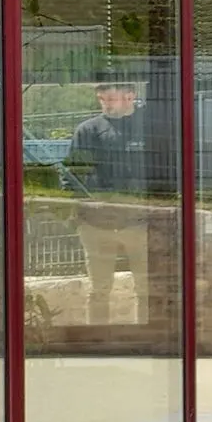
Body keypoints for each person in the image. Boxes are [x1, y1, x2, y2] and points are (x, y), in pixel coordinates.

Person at [65, 78, 150, 326]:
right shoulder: (88, 131)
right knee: (99, 289)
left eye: (110, 99)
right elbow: (71, 173)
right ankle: (98, 341)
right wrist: (83, 209)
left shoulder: (148, 127)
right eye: (101, 99)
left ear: (130, 96)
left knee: (147, 289)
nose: (105, 105)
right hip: (96, 224)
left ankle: (146, 338)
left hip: (140, 222)